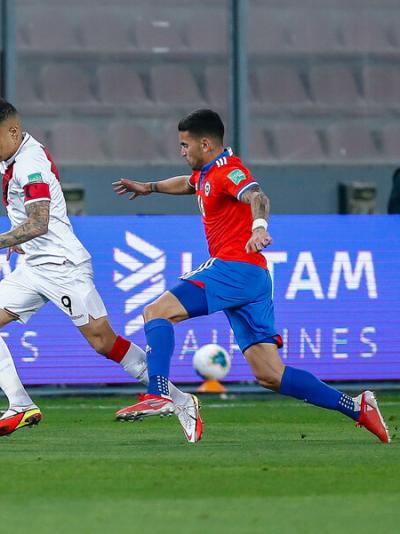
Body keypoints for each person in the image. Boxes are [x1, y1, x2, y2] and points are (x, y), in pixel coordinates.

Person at [112, 109, 390, 444]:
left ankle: (160, 393)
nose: (181, 151)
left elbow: (257, 196)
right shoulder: (205, 173)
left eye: (185, 145)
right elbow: (187, 184)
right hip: (253, 279)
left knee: (156, 312)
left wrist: (258, 227)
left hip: (234, 267)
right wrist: (150, 187)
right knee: (270, 374)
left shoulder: (230, 171)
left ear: (205, 143)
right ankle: (357, 407)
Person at [0, 98, 203, 442]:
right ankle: (20, 404)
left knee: (103, 342)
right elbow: (31, 217)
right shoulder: (11, 154)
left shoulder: (29, 164)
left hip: (63, 266)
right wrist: (17, 238)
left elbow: (39, 222)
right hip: (35, 266)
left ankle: (181, 400)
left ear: (13, 131)